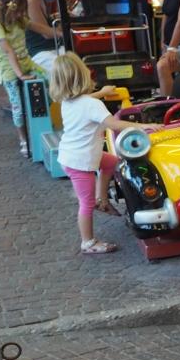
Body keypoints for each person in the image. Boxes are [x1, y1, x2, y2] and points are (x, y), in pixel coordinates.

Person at [50, 52, 129, 255]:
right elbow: (114, 124)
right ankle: (88, 242)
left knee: (111, 162)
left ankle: (102, 199)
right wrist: (146, 126)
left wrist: (102, 92)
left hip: (72, 155)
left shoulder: (68, 101)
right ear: (83, 74)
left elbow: (86, 102)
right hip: (80, 162)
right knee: (86, 204)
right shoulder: (92, 105)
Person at [0, 0, 45, 157]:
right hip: (9, 70)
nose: (21, 15)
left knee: (50, 80)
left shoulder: (19, 20)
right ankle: (23, 139)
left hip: (26, 63)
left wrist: (58, 32)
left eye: (22, 11)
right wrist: (20, 74)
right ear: (5, 8)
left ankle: (42, 126)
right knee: (17, 107)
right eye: (18, 11)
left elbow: (38, 28)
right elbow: (8, 51)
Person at [25, 0, 67, 75]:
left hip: (51, 48)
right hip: (39, 52)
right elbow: (45, 33)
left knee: (76, 60)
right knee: (67, 69)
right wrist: (63, 30)